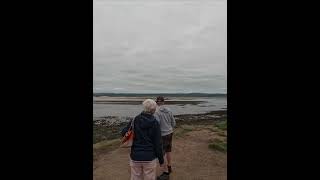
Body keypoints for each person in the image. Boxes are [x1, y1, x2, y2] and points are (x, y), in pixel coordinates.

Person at [121, 99, 164, 180]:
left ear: (144, 108)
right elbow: (158, 143)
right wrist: (161, 160)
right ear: (154, 110)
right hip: (150, 157)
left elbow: (124, 132)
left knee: (135, 177)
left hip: (135, 156)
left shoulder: (134, 120)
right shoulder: (155, 123)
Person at [154, 96, 176, 179]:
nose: (158, 102)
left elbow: (157, 125)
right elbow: (173, 123)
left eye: (158, 101)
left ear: (157, 102)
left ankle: (165, 172)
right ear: (163, 102)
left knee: (161, 154)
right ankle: (169, 167)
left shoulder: (156, 112)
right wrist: (169, 128)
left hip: (162, 135)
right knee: (168, 151)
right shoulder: (169, 110)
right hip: (170, 133)